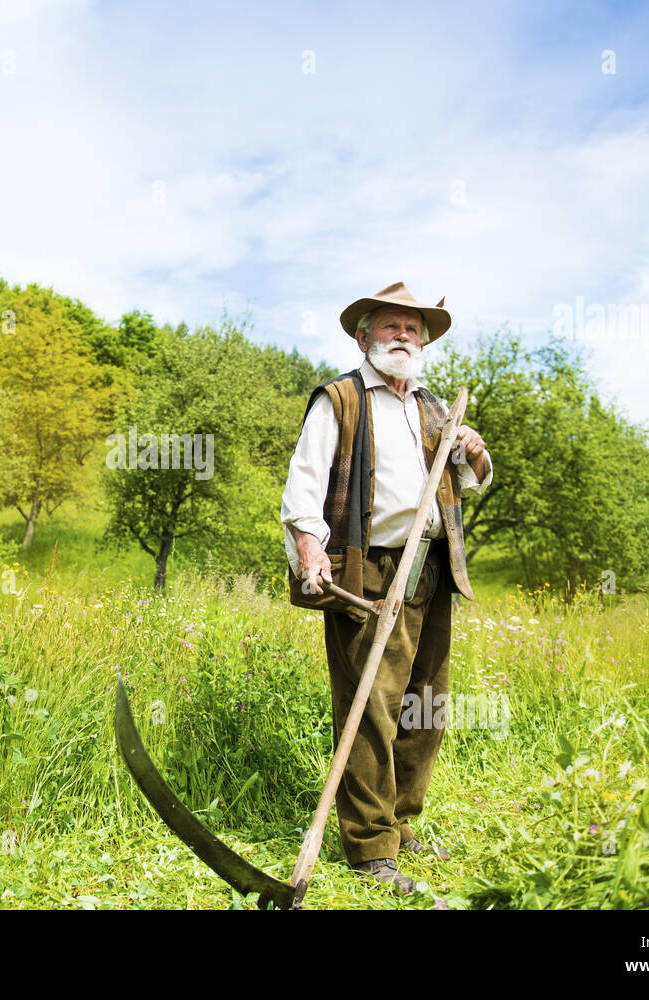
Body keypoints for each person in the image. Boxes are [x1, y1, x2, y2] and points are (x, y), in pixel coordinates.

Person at [280, 281, 493, 894]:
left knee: (425, 705)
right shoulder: (340, 400)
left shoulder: (431, 407)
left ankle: (401, 826)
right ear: (363, 337)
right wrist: (309, 549)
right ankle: (370, 846)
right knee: (372, 706)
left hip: (430, 566)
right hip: (367, 568)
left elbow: (474, 479)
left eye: (413, 329)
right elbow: (304, 485)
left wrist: (472, 448)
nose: (405, 337)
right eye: (392, 327)